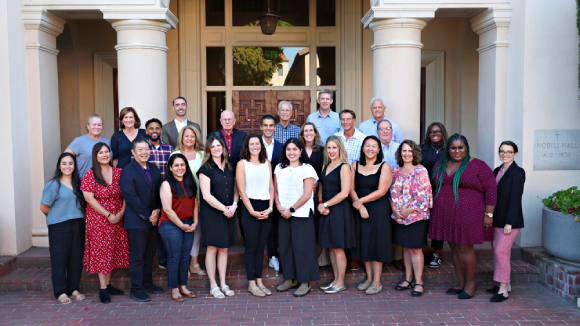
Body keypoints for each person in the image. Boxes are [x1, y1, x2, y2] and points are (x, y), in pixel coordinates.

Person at [430, 134, 497, 299]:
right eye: (453, 148)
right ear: (448, 149)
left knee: (465, 247)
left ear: (466, 148)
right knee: (453, 247)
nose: (457, 151)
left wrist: (489, 214)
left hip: (469, 213)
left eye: (461, 147)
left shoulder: (478, 165)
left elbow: (491, 189)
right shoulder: (440, 164)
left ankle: (470, 284)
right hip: (445, 214)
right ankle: (460, 282)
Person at [81, 143, 129, 304]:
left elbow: (126, 194)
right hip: (98, 219)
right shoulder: (90, 174)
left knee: (112, 250)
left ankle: (108, 285)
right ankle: (102, 289)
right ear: (95, 156)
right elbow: (89, 198)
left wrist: (121, 212)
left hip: (117, 217)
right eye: (100, 152)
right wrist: (108, 214)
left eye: (106, 151)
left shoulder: (119, 172)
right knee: (102, 252)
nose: (104, 154)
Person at [119, 138, 165, 302]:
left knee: (149, 254)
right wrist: (148, 215)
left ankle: (147, 283)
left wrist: (158, 210)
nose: (144, 152)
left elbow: (160, 192)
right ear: (133, 152)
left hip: (153, 219)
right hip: (137, 221)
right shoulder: (127, 171)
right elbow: (130, 197)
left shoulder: (154, 169)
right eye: (140, 149)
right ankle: (136, 289)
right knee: (137, 256)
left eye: (147, 149)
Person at [274, 138, 320, 297]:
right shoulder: (279, 168)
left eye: (295, 149)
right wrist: (279, 206)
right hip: (283, 213)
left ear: (301, 151)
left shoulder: (307, 169)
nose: (291, 152)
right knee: (286, 247)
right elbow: (275, 190)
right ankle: (290, 278)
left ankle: (305, 282)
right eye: (288, 149)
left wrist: (292, 209)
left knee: (303, 248)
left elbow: (308, 194)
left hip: (301, 214)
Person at [41, 153, 87, 304]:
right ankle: (60, 292)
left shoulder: (78, 184)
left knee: (75, 258)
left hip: (78, 224)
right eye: (64, 163)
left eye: (70, 163)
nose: (67, 166)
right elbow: (44, 207)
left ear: (74, 166)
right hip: (59, 226)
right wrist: (58, 216)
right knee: (59, 259)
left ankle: (73, 289)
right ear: (59, 166)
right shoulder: (53, 185)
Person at [349, 136, 392, 295]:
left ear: (379, 150)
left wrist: (360, 202)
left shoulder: (384, 166)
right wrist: (360, 207)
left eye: (374, 146)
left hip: (379, 210)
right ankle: (368, 277)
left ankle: (377, 280)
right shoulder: (355, 165)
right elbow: (351, 188)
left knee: (377, 243)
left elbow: (381, 191)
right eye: (367, 146)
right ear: (362, 148)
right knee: (364, 242)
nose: (370, 149)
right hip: (360, 210)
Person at [390, 140, 433, 297]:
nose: (406, 154)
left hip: (416, 216)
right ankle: (408, 279)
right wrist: (395, 209)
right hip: (399, 217)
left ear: (414, 153)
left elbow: (425, 194)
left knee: (415, 248)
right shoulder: (395, 171)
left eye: (409, 151)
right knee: (405, 248)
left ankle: (419, 281)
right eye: (404, 151)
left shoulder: (420, 170)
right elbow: (391, 194)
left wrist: (409, 210)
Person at [198, 136, 239, 299]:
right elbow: (206, 196)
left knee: (224, 248)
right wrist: (224, 209)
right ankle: (213, 285)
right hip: (212, 214)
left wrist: (234, 205)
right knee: (212, 248)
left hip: (229, 211)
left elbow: (237, 190)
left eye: (218, 146)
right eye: (213, 146)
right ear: (208, 150)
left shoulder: (230, 166)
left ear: (223, 147)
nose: (216, 149)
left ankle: (223, 283)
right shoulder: (205, 169)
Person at [236, 135, 275, 297]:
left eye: (257, 144)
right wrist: (251, 211)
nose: (254, 146)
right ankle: (251, 283)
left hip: (266, 206)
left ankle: (259, 280)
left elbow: (271, 187)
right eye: (251, 144)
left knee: (261, 247)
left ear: (261, 145)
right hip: (249, 207)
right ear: (247, 146)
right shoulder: (242, 164)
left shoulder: (267, 163)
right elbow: (241, 190)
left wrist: (271, 207)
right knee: (251, 247)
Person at [487, 141, 525, 303]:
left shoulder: (518, 172)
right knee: (499, 251)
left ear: (515, 154)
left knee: (500, 252)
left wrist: (509, 222)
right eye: (502, 151)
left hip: (510, 221)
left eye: (509, 152)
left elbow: (516, 198)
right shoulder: (497, 170)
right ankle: (503, 284)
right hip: (497, 219)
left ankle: (503, 291)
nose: (505, 154)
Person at [317, 136, 355, 294]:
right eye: (329, 148)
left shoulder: (345, 166)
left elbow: (345, 193)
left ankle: (340, 282)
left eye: (334, 148)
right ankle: (335, 279)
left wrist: (326, 204)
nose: (331, 151)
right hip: (325, 209)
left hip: (339, 210)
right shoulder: (325, 165)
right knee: (331, 247)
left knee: (338, 247)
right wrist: (320, 203)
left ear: (340, 149)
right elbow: (321, 186)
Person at [158, 153, 198, 302]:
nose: (180, 168)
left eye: (182, 165)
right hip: (170, 225)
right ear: (170, 167)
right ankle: (174, 289)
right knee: (174, 258)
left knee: (185, 257)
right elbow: (167, 209)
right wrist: (182, 225)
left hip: (188, 223)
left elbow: (194, 202)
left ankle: (183, 286)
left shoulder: (189, 181)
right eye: (176, 165)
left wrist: (195, 222)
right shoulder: (166, 184)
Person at [171, 125, 206, 276]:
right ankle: (182, 265)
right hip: (181, 200)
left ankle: (194, 263)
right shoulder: (176, 154)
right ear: (182, 138)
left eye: (192, 136)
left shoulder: (202, 155)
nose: (190, 139)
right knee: (180, 234)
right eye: (187, 136)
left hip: (200, 198)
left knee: (196, 233)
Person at [144, 118, 174, 270]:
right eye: (151, 128)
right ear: (146, 131)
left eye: (157, 128)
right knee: (150, 227)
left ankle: (163, 259)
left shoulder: (169, 149)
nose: (154, 131)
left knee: (164, 224)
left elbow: (173, 170)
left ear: (161, 131)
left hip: (166, 193)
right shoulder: (142, 149)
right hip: (146, 194)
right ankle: (149, 261)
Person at [299, 122, 329, 269]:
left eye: (311, 130)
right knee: (304, 227)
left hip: (316, 193)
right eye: (306, 131)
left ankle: (319, 260)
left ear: (315, 133)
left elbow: (324, 173)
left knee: (316, 227)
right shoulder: (297, 150)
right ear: (302, 134)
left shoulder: (322, 151)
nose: (309, 133)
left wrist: (315, 186)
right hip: (300, 194)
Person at [420, 122, 449, 268]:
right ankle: (419, 252)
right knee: (422, 220)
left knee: (439, 222)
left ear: (443, 132)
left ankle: (437, 254)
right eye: (431, 132)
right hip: (423, 190)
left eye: (437, 131)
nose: (434, 134)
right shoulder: (422, 149)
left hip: (442, 190)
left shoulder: (449, 149)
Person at [376, 119, 403, 270]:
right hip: (378, 191)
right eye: (382, 129)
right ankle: (384, 255)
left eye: (388, 129)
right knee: (382, 224)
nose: (385, 131)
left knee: (397, 223)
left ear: (392, 131)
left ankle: (397, 257)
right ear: (377, 132)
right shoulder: (373, 147)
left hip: (397, 190)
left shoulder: (399, 148)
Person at [260, 115, 283, 272]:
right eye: (265, 125)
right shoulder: (253, 145)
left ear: (275, 128)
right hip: (257, 192)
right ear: (261, 127)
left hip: (276, 191)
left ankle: (273, 256)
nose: (268, 128)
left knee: (274, 226)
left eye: (271, 125)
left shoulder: (282, 147)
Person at [65, 114, 111, 178]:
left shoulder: (108, 142)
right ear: (88, 126)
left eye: (99, 125)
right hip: (83, 182)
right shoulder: (79, 141)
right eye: (94, 124)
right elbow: (65, 158)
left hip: (105, 182)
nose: (96, 127)